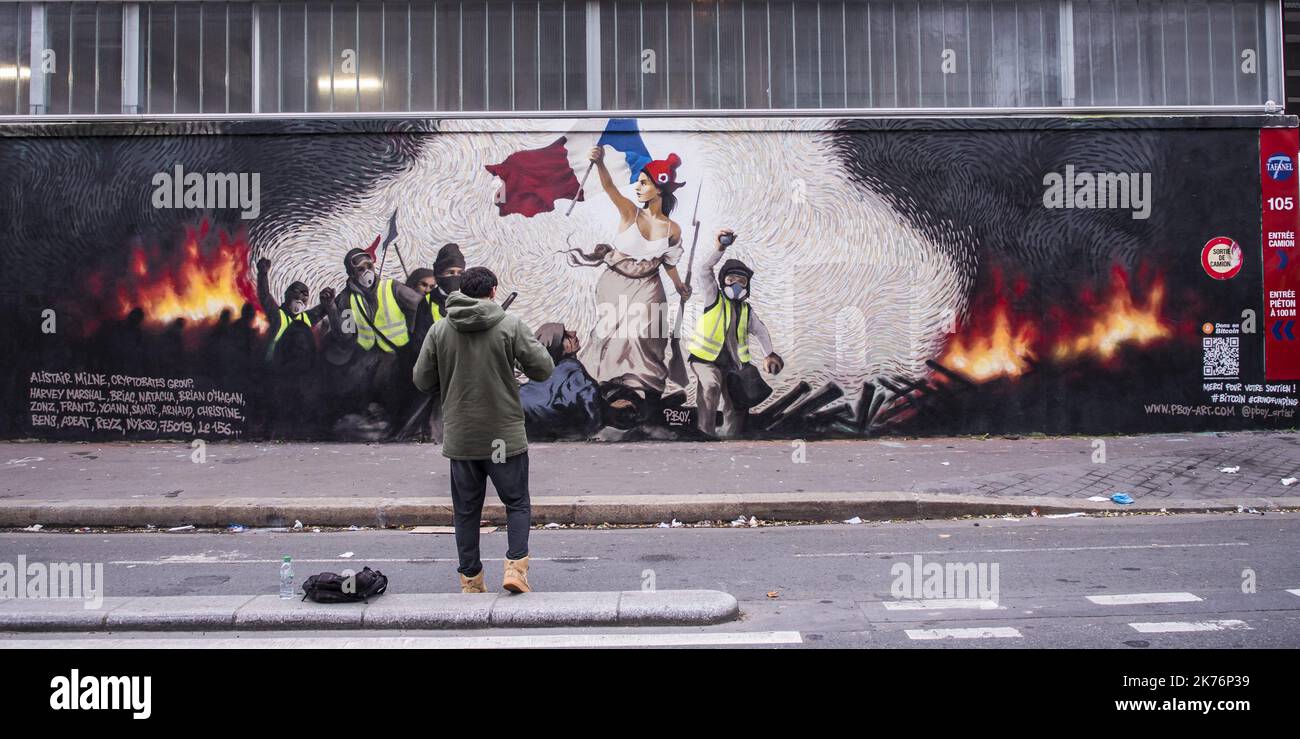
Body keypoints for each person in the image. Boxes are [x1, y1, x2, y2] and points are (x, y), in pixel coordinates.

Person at [412, 266, 554, 594]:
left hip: (462, 437)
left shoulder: (440, 330)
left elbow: (421, 380)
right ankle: (516, 569)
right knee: (516, 502)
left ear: (462, 291)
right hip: (504, 435)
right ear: (493, 292)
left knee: (466, 511)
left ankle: (471, 581)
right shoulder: (510, 325)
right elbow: (544, 368)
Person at [568, 147, 692, 406]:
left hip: (649, 284)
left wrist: (680, 285)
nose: (638, 187)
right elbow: (611, 187)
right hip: (616, 281)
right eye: (638, 181)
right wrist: (600, 163)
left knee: (643, 335)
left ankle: (641, 394)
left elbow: (668, 262)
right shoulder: (629, 212)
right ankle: (607, 391)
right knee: (609, 335)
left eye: (644, 183)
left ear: (660, 189)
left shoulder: (673, 229)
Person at [688, 229, 784, 438]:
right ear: (723, 281)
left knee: (737, 402)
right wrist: (720, 247)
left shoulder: (747, 311)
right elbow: (704, 269)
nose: (737, 284)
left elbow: (760, 331)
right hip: (705, 359)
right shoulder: (714, 298)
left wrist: (769, 354)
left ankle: (731, 436)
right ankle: (705, 432)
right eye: (732, 279)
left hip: (734, 364)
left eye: (742, 281)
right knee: (711, 387)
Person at [520, 322, 602, 438]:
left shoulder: (537, 375)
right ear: (559, 348)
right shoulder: (572, 368)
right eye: (565, 335)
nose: (573, 333)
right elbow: (592, 406)